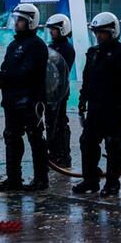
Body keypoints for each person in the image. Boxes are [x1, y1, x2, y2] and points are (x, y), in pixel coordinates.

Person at [0, 3, 49, 192]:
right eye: (16, 19)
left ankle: (40, 180)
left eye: (20, 20)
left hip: (29, 101)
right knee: (11, 139)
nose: (16, 23)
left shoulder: (36, 46)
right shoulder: (13, 45)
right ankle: (14, 179)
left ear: (30, 22)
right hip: (11, 101)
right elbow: (7, 70)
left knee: (35, 140)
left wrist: (3, 77)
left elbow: (25, 73)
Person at [74, 12, 121, 198]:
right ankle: (90, 179)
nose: (98, 36)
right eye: (96, 32)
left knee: (112, 144)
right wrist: (82, 100)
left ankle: (112, 184)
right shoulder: (93, 53)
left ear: (112, 31)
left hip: (113, 109)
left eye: (102, 32)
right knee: (88, 142)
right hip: (95, 107)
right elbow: (87, 79)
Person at [45, 13, 76, 169]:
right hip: (50, 90)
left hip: (60, 91)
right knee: (50, 122)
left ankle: (63, 155)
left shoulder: (66, 48)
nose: (51, 32)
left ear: (62, 29)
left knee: (60, 122)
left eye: (54, 29)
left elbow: (61, 69)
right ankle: (53, 152)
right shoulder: (52, 47)